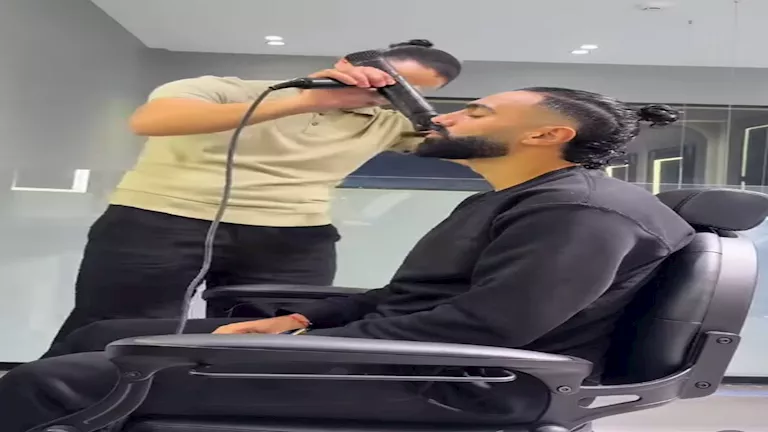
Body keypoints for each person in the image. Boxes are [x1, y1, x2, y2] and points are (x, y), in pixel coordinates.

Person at [2, 87, 695, 432]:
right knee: (106, 335)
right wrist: (302, 319)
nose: (445, 117)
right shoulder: (519, 199)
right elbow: (417, 301)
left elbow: (489, 329)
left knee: (62, 383)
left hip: (465, 385)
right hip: (417, 358)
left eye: (477, 113)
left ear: (547, 135)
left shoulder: (582, 213)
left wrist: (313, 344)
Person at [45, 39, 462, 352]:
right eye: (388, 82)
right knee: (116, 324)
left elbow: (470, 147)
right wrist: (305, 102)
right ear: (348, 65)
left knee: (269, 336)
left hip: (294, 238)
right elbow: (151, 121)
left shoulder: (389, 123)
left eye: (408, 92)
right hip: (159, 219)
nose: (388, 97)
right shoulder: (223, 88)